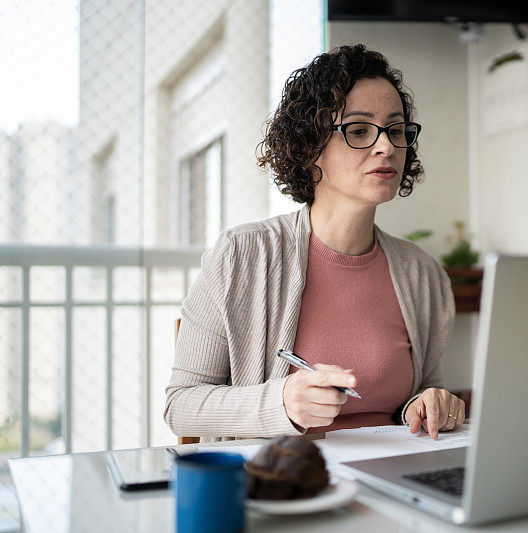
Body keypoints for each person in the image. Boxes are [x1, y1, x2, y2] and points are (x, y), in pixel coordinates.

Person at [163, 44, 463, 443]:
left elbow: (416, 397)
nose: (387, 146)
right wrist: (281, 403)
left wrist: (428, 404)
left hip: (392, 480)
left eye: (395, 130)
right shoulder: (241, 254)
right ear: (310, 147)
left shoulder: (422, 274)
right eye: (358, 130)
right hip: (289, 484)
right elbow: (180, 407)